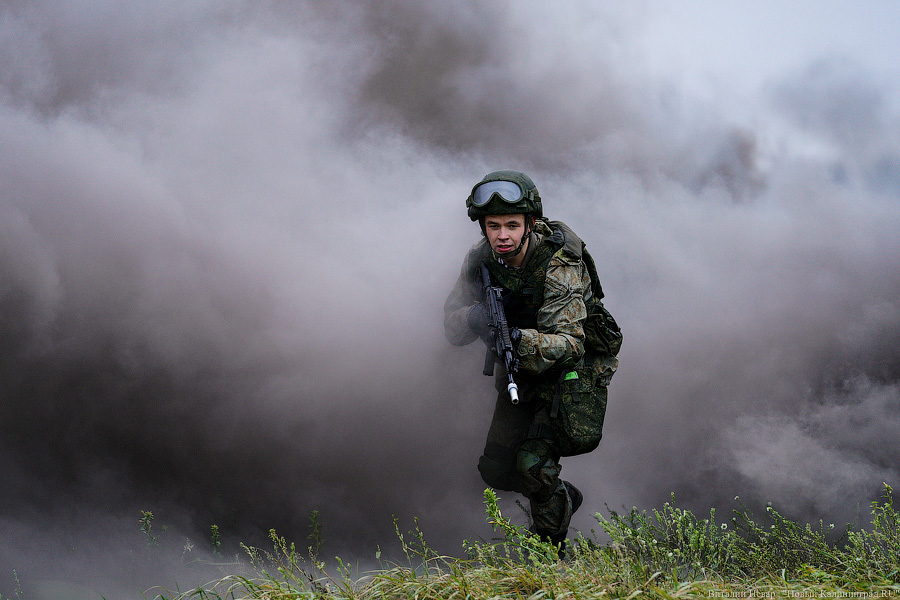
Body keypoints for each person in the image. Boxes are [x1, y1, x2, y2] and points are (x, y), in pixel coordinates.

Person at [443, 170, 621, 555]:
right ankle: (559, 499)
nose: (502, 235)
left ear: (531, 224)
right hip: (521, 369)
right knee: (496, 470)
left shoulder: (561, 263)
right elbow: (452, 325)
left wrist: (517, 339)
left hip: (574, 370)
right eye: (493, 226)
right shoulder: (481, 259)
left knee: (532, 465)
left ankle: (547, 556)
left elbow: (570, 343)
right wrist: (476, 318)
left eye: (511, 224)